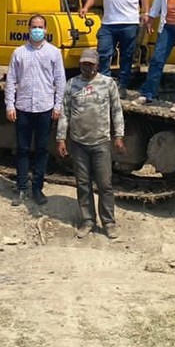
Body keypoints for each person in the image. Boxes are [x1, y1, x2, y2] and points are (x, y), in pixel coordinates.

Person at [56, 48, 126, 239]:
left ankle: (109, 222)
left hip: (101, 142)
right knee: (83, 184)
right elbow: (65, 112)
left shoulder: (108, 83)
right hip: (78, 142)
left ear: (97, 64)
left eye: (90, 64)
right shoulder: (72, 84)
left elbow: (116, 111)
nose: (87, 67)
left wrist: (119, 136)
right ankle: (88, 220)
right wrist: (61, 138)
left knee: (105, 184)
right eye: (84, 63)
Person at [4, 13, 65, 207]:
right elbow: (11, 80)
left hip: (44, 108)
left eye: (40, 27)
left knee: (41, 149)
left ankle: (37, 188)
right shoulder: (19, 53)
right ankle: (21, 187)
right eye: (34, 26)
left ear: (46, 30)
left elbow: (60, 81)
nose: (37, 30)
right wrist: (9, 105)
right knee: (22, 149)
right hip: (23, 107)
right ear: (28, 29)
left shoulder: (54, 53)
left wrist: (58, 106)